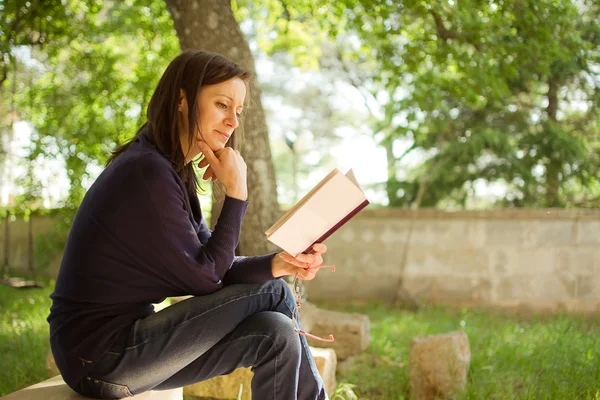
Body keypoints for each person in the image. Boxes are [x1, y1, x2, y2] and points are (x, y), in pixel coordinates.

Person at [47, 50, 332, 400]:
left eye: (238, 111)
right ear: (182, 99)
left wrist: (277, 264)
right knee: (277, 293)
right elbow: (207, 278)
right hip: (100, 357)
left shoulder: (171, 172)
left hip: (125, 350)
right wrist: (237, 194)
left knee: (276, 332)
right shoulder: (147, 173)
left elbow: (215, 266)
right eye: (222, 105)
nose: (233, 122)